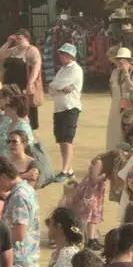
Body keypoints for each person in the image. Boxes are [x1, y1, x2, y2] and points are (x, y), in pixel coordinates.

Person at [46, 43, 84, 179]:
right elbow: (52, 88)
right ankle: (69, 169)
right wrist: (58, 88)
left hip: (70, 107)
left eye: (63, 53)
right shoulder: (62, 70)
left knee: (68, 138)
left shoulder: (75, 69)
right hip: (59, 107)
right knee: (61, 139)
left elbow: (57, 85)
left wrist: (58, 87)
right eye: (60, 53)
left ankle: (64, 170)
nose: (60, 56)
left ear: (70, 55)